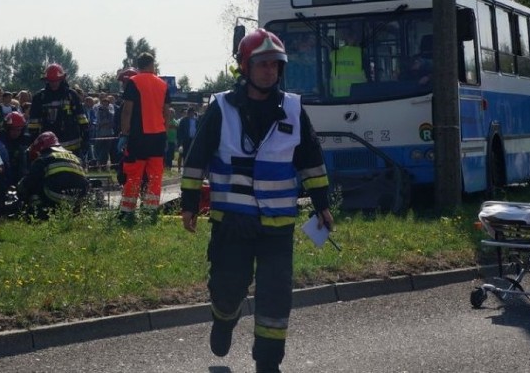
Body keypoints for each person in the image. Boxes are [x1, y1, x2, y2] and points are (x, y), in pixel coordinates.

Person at [180, 28, 333, 373]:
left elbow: (311, 158)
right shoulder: (221, 108)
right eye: (262, 64)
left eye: (275, 65)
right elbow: (196, 158)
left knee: (276, 296)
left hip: (278, 226)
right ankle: (223, 319)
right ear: (245, 67)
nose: (269, 71)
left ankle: (268, 361)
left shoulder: (293, 108)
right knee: (227, 287)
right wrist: (189, 204)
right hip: (232, 223)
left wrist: (322, 203)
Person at [117, 52, 171, 223]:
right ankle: (150, 211)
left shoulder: (134, 82)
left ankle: (127, 211)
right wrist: (165, 132)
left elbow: (127, 110)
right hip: (158, 137)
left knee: (134, 174)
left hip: (138, 136)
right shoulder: (162, 84)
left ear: (139, 65)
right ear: (152, 65)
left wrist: (124, 133)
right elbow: (167, 111)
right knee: (155, 175)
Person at [18, 131, 89, 219]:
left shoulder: (43, 159)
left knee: (34, 191)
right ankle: (74, 212)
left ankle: (40, 215)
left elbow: (29, 181)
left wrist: (19, 189)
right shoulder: (75, 157)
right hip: (80, 195)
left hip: (56, 197)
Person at [27, 63, 89, 156]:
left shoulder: (71, 95)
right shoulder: (39, 97)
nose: (53, 83)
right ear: (46, 80)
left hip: (72, 146)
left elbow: (82, 118)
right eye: (51, 81)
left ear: (62, 79)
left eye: (56, 80)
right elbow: (33, 125)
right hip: (49, 147)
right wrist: (35, 143)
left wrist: (86, 138)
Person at [329, 25, 366, 97]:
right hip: (359, 96)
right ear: (354, 38)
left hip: (337, 97)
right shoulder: (361, 53)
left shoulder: (333, 54)